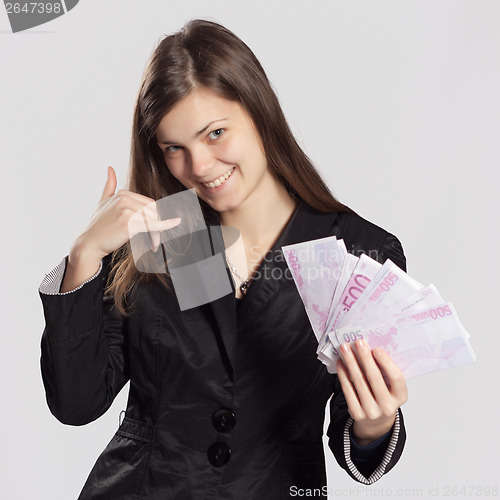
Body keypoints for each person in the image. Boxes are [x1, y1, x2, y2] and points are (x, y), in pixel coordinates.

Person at [38, 19, 408, 499]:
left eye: (214, 134)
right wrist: (84, 255)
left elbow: (356, 437)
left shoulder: (358, 250)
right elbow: (76, 402)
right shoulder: (164, 234)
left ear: (258, 111)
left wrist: (375, 426)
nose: (199, 167)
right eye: (175, 148)